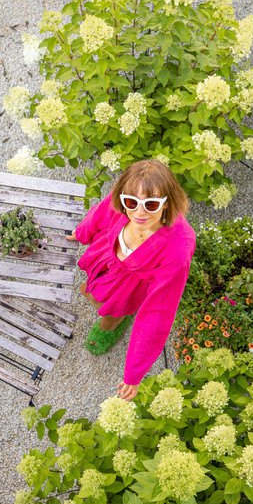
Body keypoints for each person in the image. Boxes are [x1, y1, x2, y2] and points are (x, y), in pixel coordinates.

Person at [67, 159, 195, 401]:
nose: (139, 212)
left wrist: (134, 374)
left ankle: (113, 325)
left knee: (113, 310)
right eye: (131, 202)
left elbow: (158, 313)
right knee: (90, 293)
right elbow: (103, 212)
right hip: (105, 260)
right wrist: (82, 232)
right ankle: (114, 316)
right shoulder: (124, 199)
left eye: (152, 204)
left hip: (130, 286)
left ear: (167, 202)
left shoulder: (177, 250)